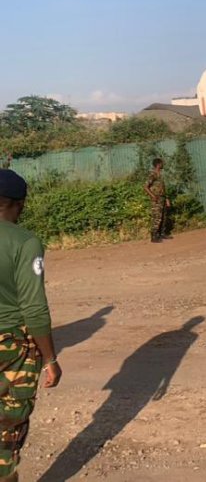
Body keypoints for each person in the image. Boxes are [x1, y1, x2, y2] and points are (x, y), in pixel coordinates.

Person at [0, 169, 61, 481]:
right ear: (18, 204)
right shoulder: (25, 242)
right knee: (7, 434)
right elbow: (34, 308)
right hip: (12, 347)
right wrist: (50, 359)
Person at [144, 158, 171, 243]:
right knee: (157, 217)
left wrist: (167, 199)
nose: (163, 165)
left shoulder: (160, 175)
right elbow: (145, 186)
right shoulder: (153, 174)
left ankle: (162, 234)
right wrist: (153, 196)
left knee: (163, 217)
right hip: (156, 199)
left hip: (162, 198)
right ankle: (154, 236)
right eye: (162, 163)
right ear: (158, 164)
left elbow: (163, 188)